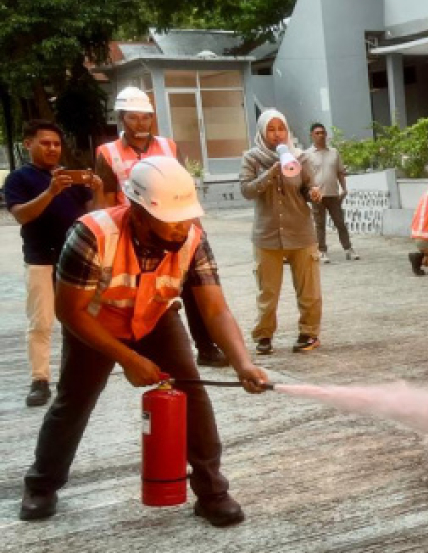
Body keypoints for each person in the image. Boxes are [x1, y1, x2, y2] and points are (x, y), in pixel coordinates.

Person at [17, 156, 271, 526]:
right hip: (94, 322)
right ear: (135, 209)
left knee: (192, 395)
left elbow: (216, 310)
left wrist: (243, 363)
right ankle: (41, 484)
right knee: (73, 402)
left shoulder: (192, 238)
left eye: (185, 217)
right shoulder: (92, 234)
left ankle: (212, 491)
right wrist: (127, 359)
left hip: (155, 317)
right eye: (170, 220)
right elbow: (69, 312)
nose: (180, 228)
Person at [95, 87, 228, 368]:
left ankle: (206, 346)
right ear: (121, 118)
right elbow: (106, 201)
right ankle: (134, 349)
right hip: (135, 235)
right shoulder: (108, 153)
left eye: (145, 117)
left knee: (195, 288)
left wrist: (197, 231)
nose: (140, 123)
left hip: (175, 226)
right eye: (133, 118)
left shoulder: (168, 147)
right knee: (141, 294)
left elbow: (184, 189)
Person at [4, 120, 103, 407]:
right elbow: (22, 215)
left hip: (75, 260)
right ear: (28, 144)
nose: (52, 149)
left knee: (81, 318)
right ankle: (40, 379)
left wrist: (96, 190)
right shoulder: (18, 179)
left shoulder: (69, 178)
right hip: (40, 259)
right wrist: (50, 192)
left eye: (56, 144)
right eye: (45, 143)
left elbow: (92, 215)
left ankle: (80, 374)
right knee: (41, 321)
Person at [240, 109, 324, 354]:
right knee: (268, 292)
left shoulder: (301, 158)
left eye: (281, 128)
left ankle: (309, 333)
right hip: (266, 235)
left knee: (309, 290)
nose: (277, 134)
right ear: (262, 132)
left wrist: (314, 194)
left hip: (301, 232)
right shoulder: (252, 158)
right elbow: (246, 190)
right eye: (271, 129)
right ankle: (263, 336)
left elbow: (308, 187)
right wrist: (271, 173)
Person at [301, 122, 357, 264]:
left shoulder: (334, 152)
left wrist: (344, 188)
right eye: (317, 133)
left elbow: (340, 172)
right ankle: (322, 251)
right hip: (317, 195)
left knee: (340, 222)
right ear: (311, 135)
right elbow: (303, 176)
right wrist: (308, 192)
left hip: (333, 194)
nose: (321, 136)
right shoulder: (307, 155)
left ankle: (348, 249)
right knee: (320, 224)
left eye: (323, 133)